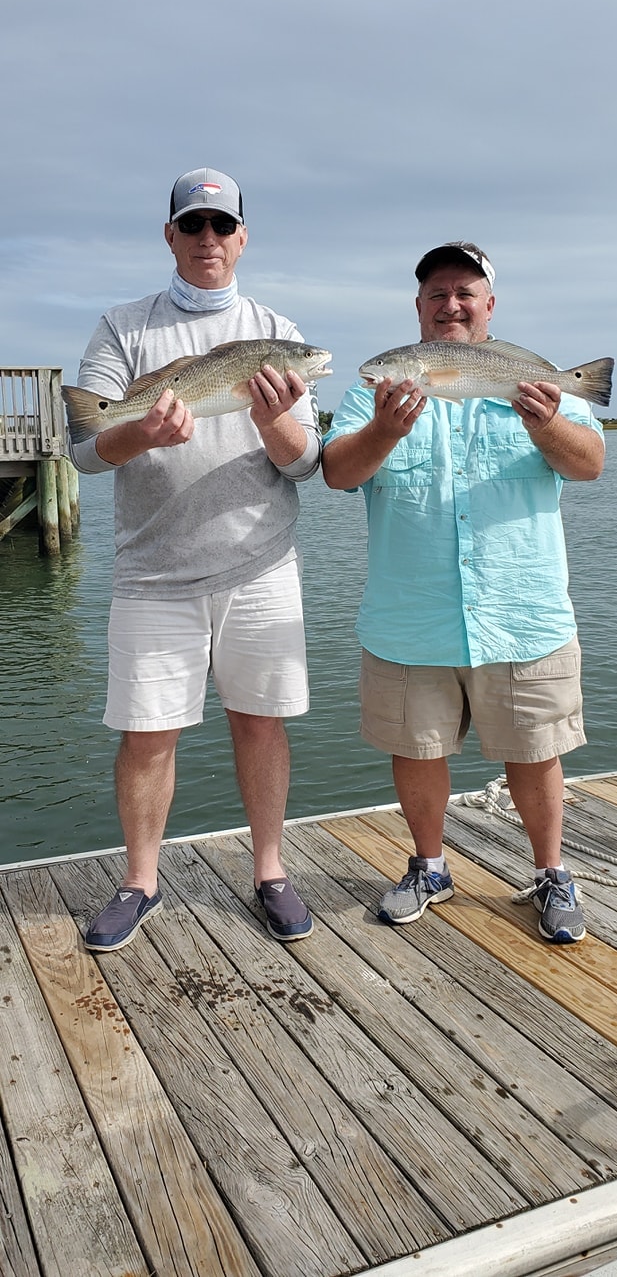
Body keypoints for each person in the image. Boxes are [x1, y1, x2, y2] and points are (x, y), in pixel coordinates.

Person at [322, 241, 605, 945]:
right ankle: (429, 866)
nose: (450, 303)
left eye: (464, 291)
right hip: (410, 618)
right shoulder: (373, 392)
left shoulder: (535, 379)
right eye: (436, 293)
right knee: (416, 748)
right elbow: (337, 472)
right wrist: (384, 430)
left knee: (537, 749)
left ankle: (550, 872)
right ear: (417, 310)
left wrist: (550, 421)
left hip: (522, 612)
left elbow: (591, 462)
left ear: (489, 306)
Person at [68, 166, 320, 950]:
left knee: (262, 724)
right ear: (170, 235)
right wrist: (137, 430)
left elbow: (305, 460)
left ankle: (270, 871)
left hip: (261, 566)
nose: (208, 239)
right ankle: (140, 881)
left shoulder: (276, 328)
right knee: (147, 734)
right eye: (194, 225)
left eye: (222, 226)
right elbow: (84, 450)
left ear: (243, 237)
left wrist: (277, 421)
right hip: (152, 573)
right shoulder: (123, 326)